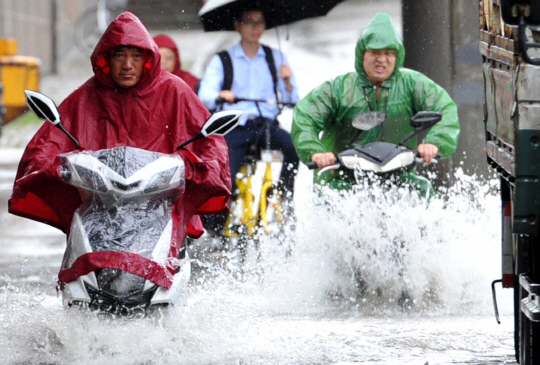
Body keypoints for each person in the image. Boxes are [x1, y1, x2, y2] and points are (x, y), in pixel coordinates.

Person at [8, 12, 231, 287]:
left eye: (136, 56)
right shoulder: (86, 96)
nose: (127, 65)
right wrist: (55, 166)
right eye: (119, 55)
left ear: (148, 59)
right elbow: (46, 144)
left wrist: (195, 166)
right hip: (100, 207)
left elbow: (209, 141)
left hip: (158, 206)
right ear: (106, 58)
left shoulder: (174, 91)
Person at [291, 12, 460, 196]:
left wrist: (434, 143)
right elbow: (304, 117)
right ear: (362, 55)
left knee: (423, 190)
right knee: (330, 196)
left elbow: (445, 110)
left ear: (397, 57)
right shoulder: (338, 88)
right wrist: (316, 153)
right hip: (343, 177)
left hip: (399, 176)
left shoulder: (413, 83)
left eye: (388, 53)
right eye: (375, 52)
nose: (381, 59)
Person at [198, 7, 300, 233]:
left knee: (292, 148)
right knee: (226, 176)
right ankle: (216, 227)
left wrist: (288, 81)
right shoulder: (223, 59)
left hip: (266, 125)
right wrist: (220, 95)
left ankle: (285, 196)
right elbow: (204, 95)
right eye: (249, 22)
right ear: (238, 25)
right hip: (236, 127)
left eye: (260, 22)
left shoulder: (276, 57)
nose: (255, 27)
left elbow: (293, 99)